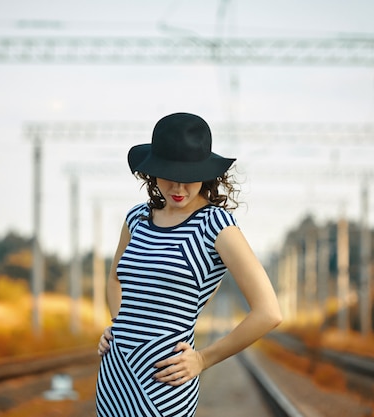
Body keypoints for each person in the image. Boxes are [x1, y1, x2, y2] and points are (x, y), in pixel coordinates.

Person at [95, 112, 282, 417]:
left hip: (164, 382)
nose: (179, 188)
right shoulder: (136, 220)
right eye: (169, 175)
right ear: (152, 171)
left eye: (189, 177)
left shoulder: (216, 225)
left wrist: (203, 359)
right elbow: (115, 280)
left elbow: (269, 312)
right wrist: (118, 326)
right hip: (114, 375)